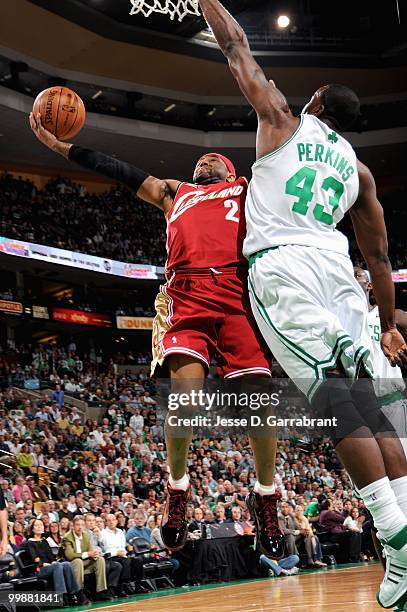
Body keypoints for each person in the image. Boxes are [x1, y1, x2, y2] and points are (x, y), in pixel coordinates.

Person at [197, 0, 407, 607]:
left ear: (315, 104)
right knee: (373, 405)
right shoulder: (360, 171)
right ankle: (401, 542)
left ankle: (395, 532)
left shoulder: (284, 120)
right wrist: (387, 327)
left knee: (334, 401)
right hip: (340, 274)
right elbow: (381, 259)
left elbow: (236, 46)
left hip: (284, 269)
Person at [29, 112, 283, 559]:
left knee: (260, 402)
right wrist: (59, 148)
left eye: (213, 158)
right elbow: (118, 169)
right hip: (187, 294)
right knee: (185, 399)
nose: (204, 161)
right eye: (200, 160)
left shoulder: (247, 190)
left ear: (231, 172)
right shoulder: (175, 193)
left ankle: (265, 496)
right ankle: (178, 489)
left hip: (237, 293)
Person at [355, 267, 407, 455]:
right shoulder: (341, 321)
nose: (351, 278)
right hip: (359, 406)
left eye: (357, 275)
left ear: (369, 285)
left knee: (401, 471)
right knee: (369, 477)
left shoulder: (390, 316)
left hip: (390, 400)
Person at [24, 518, 85, 605]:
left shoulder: (44, 541)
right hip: (38, 569)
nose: (39, 527)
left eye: (41, 525)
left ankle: (75, 593)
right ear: (32, 529)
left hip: (49, 566)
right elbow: (35, 559)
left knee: (66, 564)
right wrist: (46, 564)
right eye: (37, 525)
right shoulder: (29, 543)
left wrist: (52, 562)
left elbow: (51, 557)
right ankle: (61, 596)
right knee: (57, 566)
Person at [59, 516, 112, 602]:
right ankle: (78, 592)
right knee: (78, 561)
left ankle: (101, 591)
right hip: (71, 565)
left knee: (100, 559)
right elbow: (69, 555)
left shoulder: (86, 536)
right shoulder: (67, 537)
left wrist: (95, 554)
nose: (80, 527)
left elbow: (90, 550)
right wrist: (87, 554)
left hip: (84, 563)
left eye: (82, 525)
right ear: (73, 526)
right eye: (77, 525)